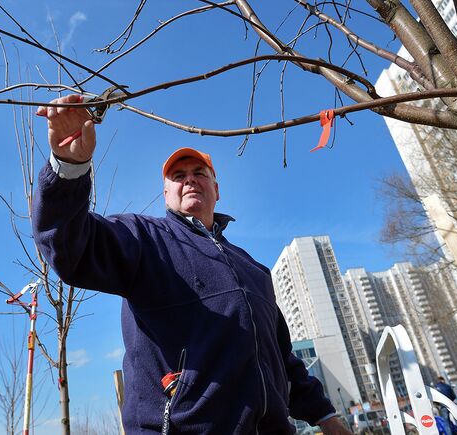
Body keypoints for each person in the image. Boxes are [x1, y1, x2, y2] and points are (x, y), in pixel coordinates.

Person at [32, 94, 351, 434]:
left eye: (200, 172)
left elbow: (282, 357)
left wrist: (326, 417)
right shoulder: (144, 238)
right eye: (178, 175)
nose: (189, 179)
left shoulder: (255, 271)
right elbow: (70, 247)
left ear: (217, 189)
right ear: (166, 194)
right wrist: (69, 168)